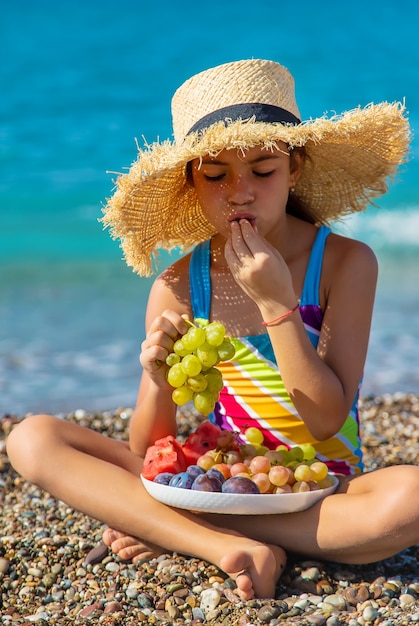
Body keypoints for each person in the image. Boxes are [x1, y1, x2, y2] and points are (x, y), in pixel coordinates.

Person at [6, 59, 419, 601]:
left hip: (322, 490)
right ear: (192, 185)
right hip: (217, 479)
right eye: (216, 175)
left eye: (263, 171)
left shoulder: (344, 263)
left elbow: (324, 420)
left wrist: (277, 303)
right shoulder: (179, 286)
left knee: (410, 499)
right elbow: (152, 451)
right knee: (31, 438)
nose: (240, 192)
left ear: (294, 169)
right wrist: (157, 377)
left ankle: (185, 533)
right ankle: (227, 544)